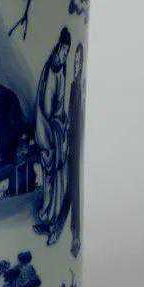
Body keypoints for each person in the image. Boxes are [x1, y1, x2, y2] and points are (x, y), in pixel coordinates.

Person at [34, 27, 71, 245]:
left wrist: (61, 123)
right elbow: (44, 108)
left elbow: (59, 105)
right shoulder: (49, 71)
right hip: (47, 132)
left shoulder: (61, 72)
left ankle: (53, 217)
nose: (64, 56)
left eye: (67, 53)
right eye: (62, 51)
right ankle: (48, 214)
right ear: (56, 49)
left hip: (56, 130)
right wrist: (52, 128)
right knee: (49, 178)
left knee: (57, 178)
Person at [67, 43, 85, 257]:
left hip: (74, 146)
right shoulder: (73, 86)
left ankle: (75, 237)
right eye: (76, 61)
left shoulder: (78, 87)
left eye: (80, 61)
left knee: (74, 190)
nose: (77, 65)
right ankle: (73, 236)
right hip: (69, 145)